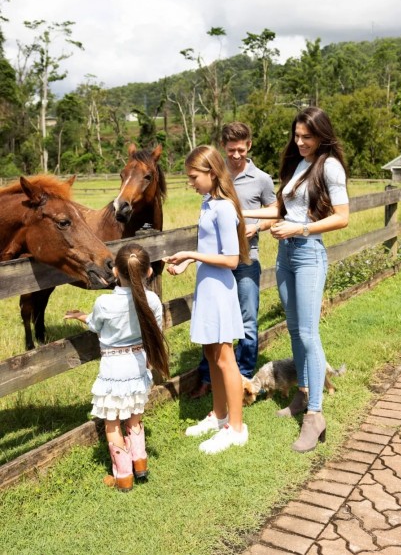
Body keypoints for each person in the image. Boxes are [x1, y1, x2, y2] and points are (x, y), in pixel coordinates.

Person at [243, 106, 349, 453]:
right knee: (294, 330)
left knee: (307, 333)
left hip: (308, 254)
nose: (300, 141)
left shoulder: (329, 166)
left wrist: (300, 228)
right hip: (286, 255)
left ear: (321, 135)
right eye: (297, 135)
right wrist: (238, 209)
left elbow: (343, 218)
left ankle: (315, 416)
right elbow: (280, 210)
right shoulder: (298, 165)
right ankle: (303, 394)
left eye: (307, 136)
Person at [164, 145, 250, 454]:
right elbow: (211, 248)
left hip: (220, 288)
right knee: (211, 353)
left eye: (193, 177)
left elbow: (231, 259)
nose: (191, 183)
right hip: (207, 285)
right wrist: (189, 263)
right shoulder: (208, 203)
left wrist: (190, 253)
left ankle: (237, 428)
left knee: (226, 357)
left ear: (211, 173)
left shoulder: (224, 208)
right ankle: (219, 416)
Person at [64, 243, 169, 491]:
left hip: (113, 373)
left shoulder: (104, 303)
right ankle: (140, 464)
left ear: (114, 272)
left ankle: (123, 476)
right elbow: (156, 331)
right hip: (138, 368)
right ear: (149, 273)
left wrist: (81, 316)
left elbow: (95, 324)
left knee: (112, 423)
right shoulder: (152, 300)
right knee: (135, 417)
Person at [192, 122, 277, 398]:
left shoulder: (261, 179)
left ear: (249, 146)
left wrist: (257, 226)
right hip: (219, 260)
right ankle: (210, 379)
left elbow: (275, 212)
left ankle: (244, 381)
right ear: (223, 149)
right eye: (231, 151)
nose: (236, 155)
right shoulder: (216, 176)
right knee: (215, 323)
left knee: (248, 322)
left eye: (241, 150)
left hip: (246, 259)